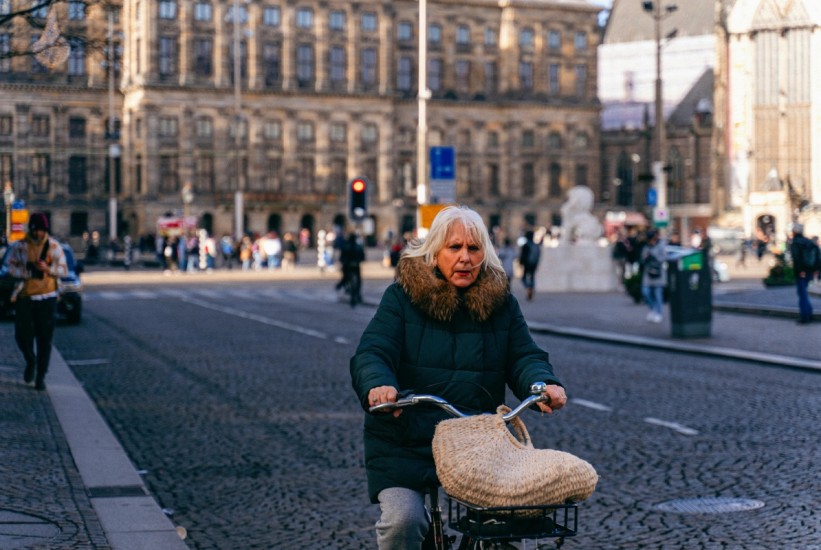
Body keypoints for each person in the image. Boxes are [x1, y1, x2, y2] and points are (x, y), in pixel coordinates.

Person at [350, 205, 566, 549]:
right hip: (406, 440)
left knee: (512, 528)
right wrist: (378, 384)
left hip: (476, 440)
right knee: (403, 522)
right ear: (434, 252)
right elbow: (373, 351)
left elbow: (524, 355)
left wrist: (542, 383)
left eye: (474, 248)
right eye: (455, 248)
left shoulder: (502, 305)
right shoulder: (401, 298)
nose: (465, 257)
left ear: (485, 253)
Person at [6, 213, 67, 391]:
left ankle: (41, 376)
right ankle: (30, 360)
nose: (39, 233)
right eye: (36, 230)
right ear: (31, 229)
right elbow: (10, 266)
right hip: (25, 296)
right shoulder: (20, 246)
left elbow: (63, 270)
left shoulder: (54, 246)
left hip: (47, 297)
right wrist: (25, 272)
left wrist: (48, 269)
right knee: (22, 336)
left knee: (44, 339)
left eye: (42, 230)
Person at [789, 223, 820, 325]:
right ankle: (809, 312)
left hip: (802, 272)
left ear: (795, 231)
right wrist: (816, 269)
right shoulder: (808, 241)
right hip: (810, 270)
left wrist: (800, 271)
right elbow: (817, 254)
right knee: (804, 292)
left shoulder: (796, 242)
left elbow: (796, 258)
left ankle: (805, 316)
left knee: (802, 293)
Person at [640, 229, 667, 323]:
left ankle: (658, 313)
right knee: (645, 292)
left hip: (658, 273)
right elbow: (642, 259)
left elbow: (663, 258)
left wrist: (653, 256)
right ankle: (653, 309)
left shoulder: (661, 245)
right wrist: (646, 257)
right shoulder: (646, 246)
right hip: (648, 273)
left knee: (658, 293)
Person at [338, 233, 365, 306]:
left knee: (345, 277)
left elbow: (342, 257)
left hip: (347, 266)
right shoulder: (358, 246)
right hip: (356, 266)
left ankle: (340, 285)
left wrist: (344, 262)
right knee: (358, 281)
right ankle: (358, 295)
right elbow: (363, 257)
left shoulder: (346, 246)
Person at [518, 230, 541, 301]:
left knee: (523, 278)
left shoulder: (526, 245)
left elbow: (523, 255)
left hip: (527, 264)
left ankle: (528, 288)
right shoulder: (536, 245)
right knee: (532, 277)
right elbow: (538, 256)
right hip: (533, 264)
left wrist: (521, 263)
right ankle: (531, 287)